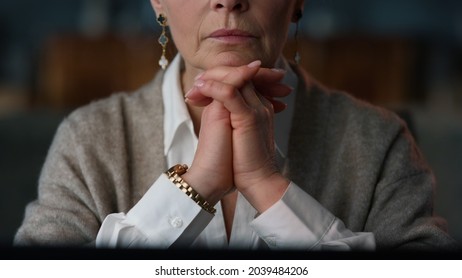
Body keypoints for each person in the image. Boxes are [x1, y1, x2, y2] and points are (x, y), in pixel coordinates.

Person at [15, 0, 457, 250]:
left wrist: (266, 186)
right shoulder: (90, 139)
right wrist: (195, 187)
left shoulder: (379, 141)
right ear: (158, 3)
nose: (227, 0)